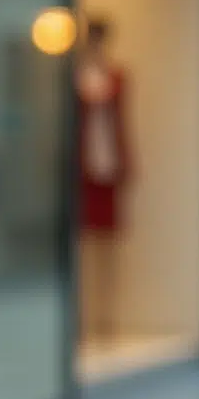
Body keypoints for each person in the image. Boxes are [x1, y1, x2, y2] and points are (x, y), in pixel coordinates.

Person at [76, 18, 131, 340]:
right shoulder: (77, 77)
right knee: (83, 246)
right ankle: (82, 318)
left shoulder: (115, 76)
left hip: (108, 167)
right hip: (83, 172)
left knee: (108, 248)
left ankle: (106, 318)